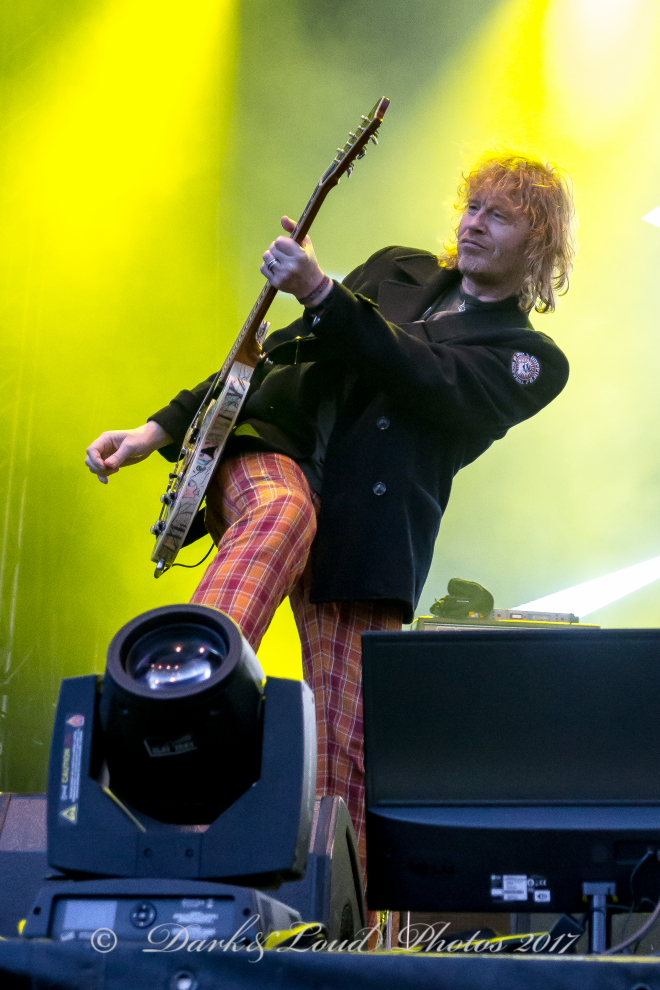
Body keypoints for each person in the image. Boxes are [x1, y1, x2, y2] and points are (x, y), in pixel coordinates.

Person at [85, 152, 575, 881]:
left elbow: (428, 378)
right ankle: (180, 691)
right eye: (472, 206)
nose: (473, 223)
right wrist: (158, 429)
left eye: (497, 215)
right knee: (283, 515)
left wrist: (322, 292)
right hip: (279, 454)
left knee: (345, 750)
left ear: (538, 241)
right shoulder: (397, 268)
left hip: (366, 538)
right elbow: (273, 353)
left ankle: (341, 925)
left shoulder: (531, 358)